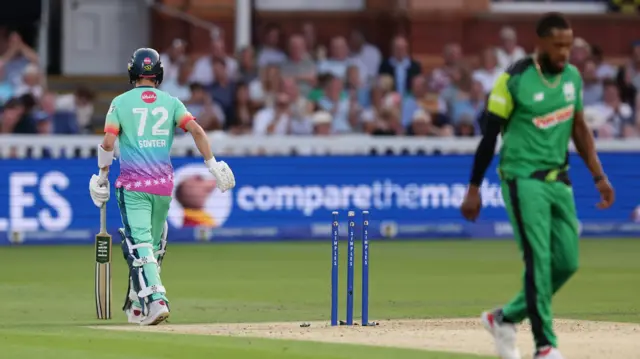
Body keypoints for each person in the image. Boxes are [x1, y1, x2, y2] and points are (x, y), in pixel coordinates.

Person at [460, 13, 615, 359]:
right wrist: (473, 188)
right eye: (557, 45)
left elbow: (579, 129)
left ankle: (504, 318)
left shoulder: (572, 77)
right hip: (522, 180)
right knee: (539, 261)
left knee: (567, 262)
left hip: (560, 181)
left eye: (568, 46)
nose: (564, 52)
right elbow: (488, 137)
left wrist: (599, 176)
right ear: (540, 43)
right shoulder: (514, 79)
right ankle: (545, 346)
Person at [88, 48, 236, 326]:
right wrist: (213, 164)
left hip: (133, 185)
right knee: (152, 247)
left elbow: (108, 143)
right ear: (159, 74)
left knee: (140, 244)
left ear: (133, 73)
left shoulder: (120, 103)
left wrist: (102, 176)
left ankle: (157, 300)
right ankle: (135, 304)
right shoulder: (171, 102)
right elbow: (197, 131)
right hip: (163, 187)